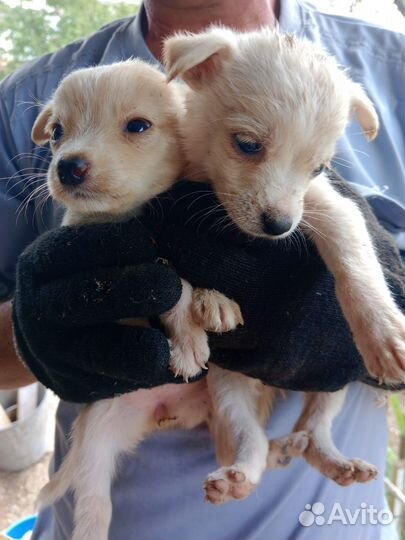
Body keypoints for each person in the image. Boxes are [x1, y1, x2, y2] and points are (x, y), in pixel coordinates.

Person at [1, 1, 404, 539]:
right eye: (248, 146)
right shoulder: (30, 97)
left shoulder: (389, 67)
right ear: (194, 79)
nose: (280, 211)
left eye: (313, 166)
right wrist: (29, 335)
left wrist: (356, 315)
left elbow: (327, 220)